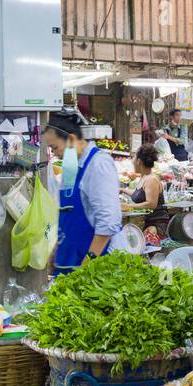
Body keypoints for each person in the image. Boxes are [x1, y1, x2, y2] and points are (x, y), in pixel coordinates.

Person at [44, 111, 121, 273]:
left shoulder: (99, 164)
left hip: (95, 268)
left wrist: (88, 265)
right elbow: (67, 216)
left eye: (55, 147)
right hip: (69, 262)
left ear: (71, 139)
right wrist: (56, 251)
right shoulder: (71, 166)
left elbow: (108, 222)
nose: (55, 153)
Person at [123, 143, 169, 232]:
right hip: (147, 222)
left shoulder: (151, 179)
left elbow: (151, 204)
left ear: (139, 161)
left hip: (156, 224)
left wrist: (128, 206)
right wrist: (123, 190)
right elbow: (139, 194)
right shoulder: (144, 177)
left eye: (133, 158)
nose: (132, 161)